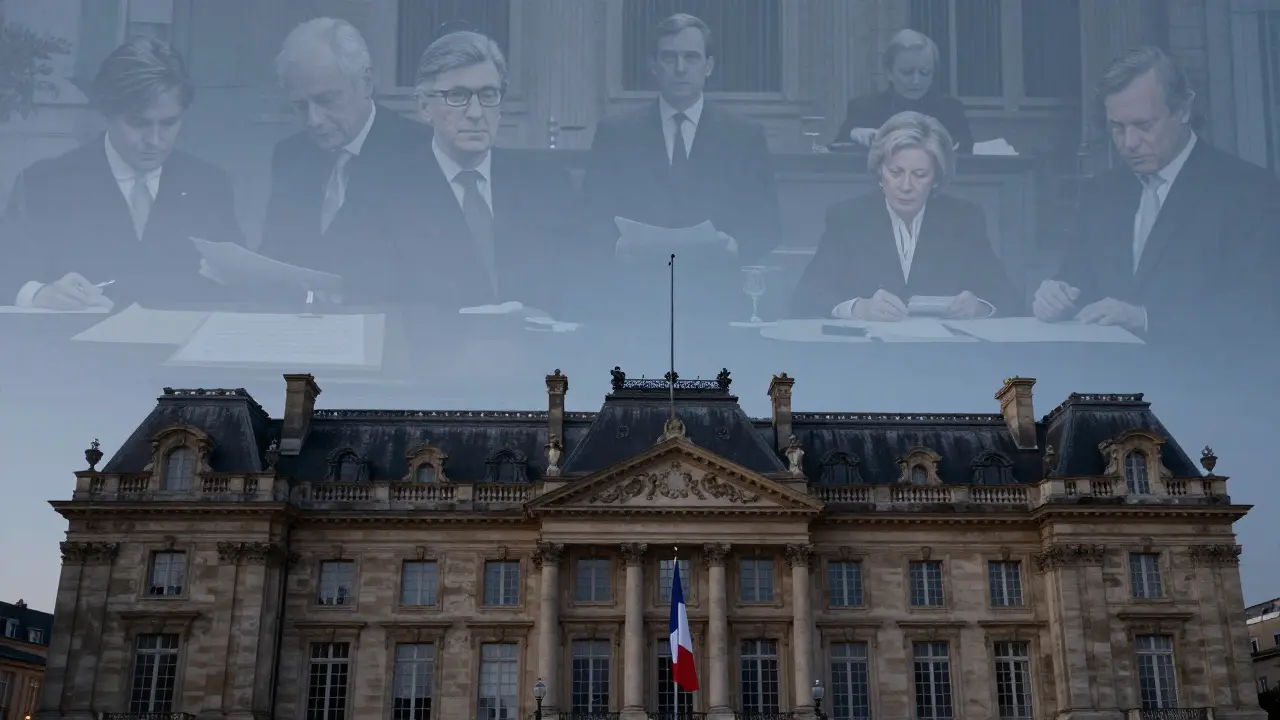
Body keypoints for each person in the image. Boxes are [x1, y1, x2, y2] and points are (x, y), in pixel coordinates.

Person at [1031, 46, 1280, 344]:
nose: (1129, 143)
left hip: (1204, 380)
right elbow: (1077, 280)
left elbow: (1261, 308)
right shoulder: (1102, 193)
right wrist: (1056, 296)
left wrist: (1146, 318)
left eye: (1143, 125)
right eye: (1117, 128)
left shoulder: (1249, 190)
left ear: (1183, 110)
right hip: (1111, 379)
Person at [0, 36, 244, 310]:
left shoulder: (209, 186)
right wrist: (38, 294)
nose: (154, 140)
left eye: (168, 123)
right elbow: (7, 274)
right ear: (107, 113)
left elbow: (236, 285)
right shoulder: (45, 184)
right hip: (74, 348)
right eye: (138, 123)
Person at [395, 30, 577, 310]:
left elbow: (577, 288)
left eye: (488, 95)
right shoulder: (387, 191)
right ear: (424, 107)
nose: (476, 113)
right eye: (457, 96)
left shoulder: (548, 183)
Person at [582, 13, 781, 268]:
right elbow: (589, 217)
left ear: (708, 66)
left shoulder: (744, 135)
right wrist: (618, 247)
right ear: (653, 65)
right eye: (669, 57)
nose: (680, 68)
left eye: (691, 57)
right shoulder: (615, 134)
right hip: (634, 286)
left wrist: (734, 246)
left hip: (715, 287)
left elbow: (767, 224)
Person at [258, 17, 431, 300]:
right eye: (300, 106)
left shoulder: (421, 153)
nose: (313, 120)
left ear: (366, 82)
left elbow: (427, 275)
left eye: (326, 100)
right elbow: (274, 253)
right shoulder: (290, 155)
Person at [791, 111, 1016, 320]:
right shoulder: (848, 217)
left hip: (943, 354)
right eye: (895, 172)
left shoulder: (965, 219)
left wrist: (979, 307)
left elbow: (1008, 299)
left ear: (936, 177)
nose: (905, 186)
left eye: (919, 175)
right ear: (880, 170)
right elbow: (805, 297)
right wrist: (859, 307)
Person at [833, 29, 973, 154]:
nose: (916, 80)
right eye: (907, 72)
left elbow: (966, 150)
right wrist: (854, 133)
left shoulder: (951, 109)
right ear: (889, 72)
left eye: (925, 72)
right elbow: (837, 148)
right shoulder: (863, 108)